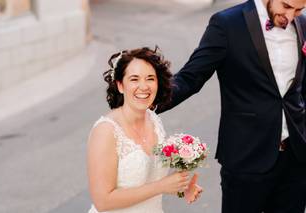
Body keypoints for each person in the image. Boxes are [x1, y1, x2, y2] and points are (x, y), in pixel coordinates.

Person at [157, 0, 306, 212]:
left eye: (299, 9)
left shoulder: (303, 24)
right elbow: (191, 77)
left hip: (295, 158)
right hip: (246, 156)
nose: (291, 17)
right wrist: (146, 102)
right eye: (286, 6)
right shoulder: (227, 24)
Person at [87, 47, 202, 213]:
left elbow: (150, 179)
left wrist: (180, 187)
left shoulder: (153, 120)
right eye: (134, 79)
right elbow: (103, 201)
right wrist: (161, 186)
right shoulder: (106, 131)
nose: (144, 86)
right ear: (120, 85)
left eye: (150, 79)